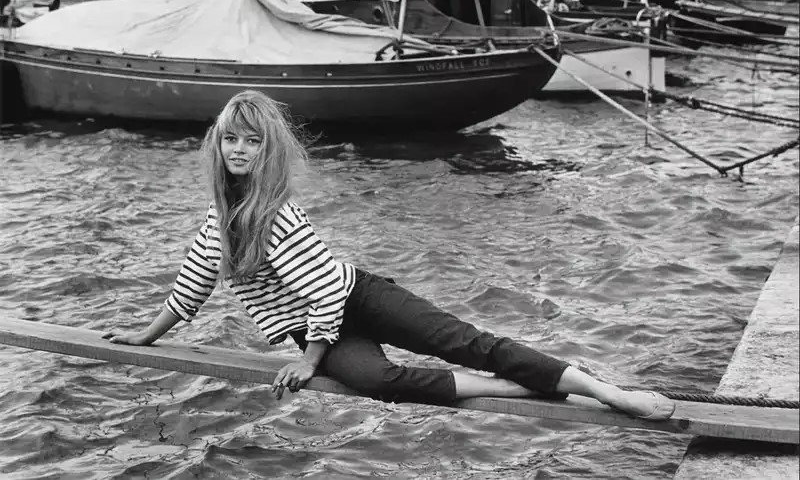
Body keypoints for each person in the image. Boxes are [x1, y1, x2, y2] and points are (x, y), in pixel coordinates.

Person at [103, 90, 675, 421]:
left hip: (356, 298)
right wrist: (144, 336)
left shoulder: (277, 211)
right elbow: (193, 284)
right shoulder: (219, 217)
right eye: (231, 139)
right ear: (217, 143)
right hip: (316, 327)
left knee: (468, 343)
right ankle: (515, 387)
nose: (240, 150)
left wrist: (309, 361)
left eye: (253, 141)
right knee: (380, 380)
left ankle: (608, 392)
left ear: (267, 150)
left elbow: (326, 290)